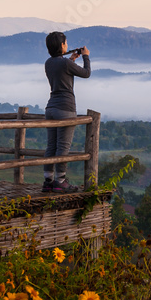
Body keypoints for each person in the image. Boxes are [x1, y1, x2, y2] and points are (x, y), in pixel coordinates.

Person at [42, 31, 91, 193]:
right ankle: (60, 181)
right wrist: (85, 57)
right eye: (66, 43)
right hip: (66, 108)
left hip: (51, 108)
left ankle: (48, 181)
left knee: (51, 146)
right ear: (62, 45)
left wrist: (71, 60)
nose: (68, 45)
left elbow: (61, 72)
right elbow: (86, 74)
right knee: (63, 147)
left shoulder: (49, 63)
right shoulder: (65, 64)